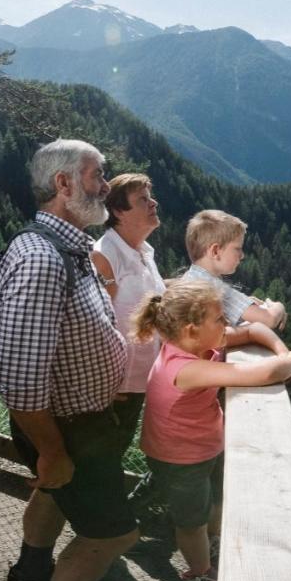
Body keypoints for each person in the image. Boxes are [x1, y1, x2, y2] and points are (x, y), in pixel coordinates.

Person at [0, 140, 136, 581]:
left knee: (53, 496)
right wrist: (52, 450)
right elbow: (19, 379)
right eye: (98, 175)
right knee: (114, 535)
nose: (106, 185)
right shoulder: (42, 258)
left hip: (78, 422)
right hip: (65, 428)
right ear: (63, 183)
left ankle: (28, 580)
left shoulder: (69, 247)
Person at [132, 279, 291, 581]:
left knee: (215, 498)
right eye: (219, 319)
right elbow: (262, 374)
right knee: (190, 522)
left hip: (204, 445)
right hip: (179, 458)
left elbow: (254, 330)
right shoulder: (185, 367)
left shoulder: (196, 344)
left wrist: (284, 351)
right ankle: (203, 576)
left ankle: (209, 542)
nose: (227, 324)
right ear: (191, 329)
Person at [91, 173, 165, 458]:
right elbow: (92, 324)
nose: (153, 203)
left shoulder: (143, 251)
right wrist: (101, 387)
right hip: (113, 389)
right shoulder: (104, 256)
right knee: (94, 464)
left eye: (150, 196)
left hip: (134, 383)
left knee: (100, 461)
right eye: (143, 199)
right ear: (119, 211)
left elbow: (150, 294)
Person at [181, 209, 287, 331]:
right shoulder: (215, 290)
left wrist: (245, 304)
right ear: (215, 251)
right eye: (237, 249)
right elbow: (269, 319)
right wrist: (278, 306)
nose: (242, 255)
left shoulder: (190, 278)